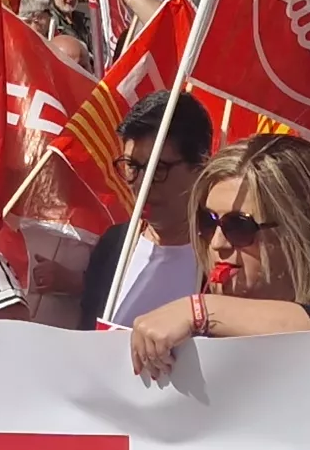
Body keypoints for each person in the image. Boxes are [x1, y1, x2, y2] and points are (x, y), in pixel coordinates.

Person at [130, 136, 310, 377]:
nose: (218, 243)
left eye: (239, 226)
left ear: (300, 233)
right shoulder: (192, 335)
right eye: (207, 221)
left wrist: (199, 310)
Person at [81, 91, 215, 328]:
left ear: (200, 168)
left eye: (158, 168)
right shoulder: (114, 245)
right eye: (132, 166)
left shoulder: (225, 256)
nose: (141, 183)